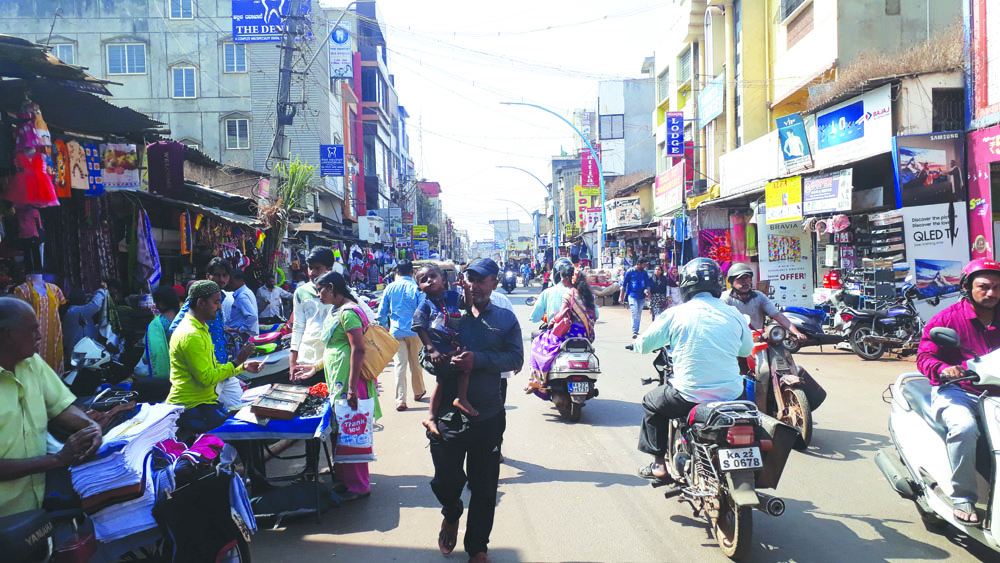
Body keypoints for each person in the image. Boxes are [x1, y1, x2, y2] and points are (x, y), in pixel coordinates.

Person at [428, 258, 523, 563]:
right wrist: (436, 360)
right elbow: (424, 351)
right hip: (446, 417)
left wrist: (478, 360)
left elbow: (515, 359)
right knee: (445, 481)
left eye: (482, 279)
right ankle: (452, 511)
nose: (474, 284)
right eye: (469, 278)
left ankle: (477, 547)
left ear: (495, 283)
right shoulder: (448, 314)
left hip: (487, 416)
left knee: (484, 488)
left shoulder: (506, 319)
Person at [630, 258, 754, 483]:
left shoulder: (676, 313)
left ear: (686, 285)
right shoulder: (734, 313)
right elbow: (746, 350)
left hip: (688, 396)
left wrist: (637, 343)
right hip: (733, 396)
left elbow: (646, 344)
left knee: (651, 402)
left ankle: (659, 464)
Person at [0, 297, 102, 518]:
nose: (39, 337)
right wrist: (57, 460)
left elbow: (61, 407)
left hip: (39, 505)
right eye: (33, 330)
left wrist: (91, 426)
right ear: (9, 334)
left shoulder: (32, 363)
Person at [916, 258, 1000, 526]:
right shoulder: (949, 318)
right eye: (983, 286)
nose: (991, 293)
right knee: (963, 428)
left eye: (997, 287)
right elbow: (925, 356)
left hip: (996, 391)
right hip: (959, 391)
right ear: (967, 287)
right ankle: (964, 496)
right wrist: (944, 369)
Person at [293, 272, 381, 502]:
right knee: (341, 431)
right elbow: (334, 347)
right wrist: (315, 368)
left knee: (353, 432)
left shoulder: (349, 312)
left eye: (320, 290)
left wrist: (352, 387)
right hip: (337, 380)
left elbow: (358, 349)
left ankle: (360, 485)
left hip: (351, 382)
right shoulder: (336, 311)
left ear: (331, 288)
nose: (318, 295)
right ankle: (344, 479)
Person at [166, 281, 263, 435]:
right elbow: (206, 378)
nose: (219, 307)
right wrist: (237, 361)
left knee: (243, 426)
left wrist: (241, 367)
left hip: (205, 401)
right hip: (191, 406)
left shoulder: (201, 327)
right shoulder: (191, 334)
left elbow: (213, 367)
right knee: (239, 432)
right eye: (216, 302)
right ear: (201, 303)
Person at [413, 263, 476, 429]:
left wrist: (466, 290)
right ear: (420, 287)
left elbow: (468, 304)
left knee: (465, 367)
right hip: (437, 349)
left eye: (433, 277)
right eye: (423, 280)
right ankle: (432, 416)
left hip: (453, 346)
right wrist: (431, 350)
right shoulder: (425, 305)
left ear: (444, 279)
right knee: (442, 380)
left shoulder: (453, 296)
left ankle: (460, 399)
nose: (429, 281)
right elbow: (419, 327)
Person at [526, 260, 597, 392]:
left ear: (567, 278)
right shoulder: (588, 294)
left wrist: (552, 320)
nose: (563, 280)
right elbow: (595, 315)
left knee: (537, 343)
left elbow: (561, 315)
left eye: (564, 277)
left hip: (566, 335)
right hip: (586, 336)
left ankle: (537, 381)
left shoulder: (567, 294)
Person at [377, 259, 427, 411]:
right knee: (416, 364)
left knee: (400, 366)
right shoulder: (416, 288)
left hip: (396, 332)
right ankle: (418, 392)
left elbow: (381, 312)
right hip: (415, 331)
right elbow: (423, 310)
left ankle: (400, 400)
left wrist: (384, 327)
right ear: (412, 272)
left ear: (397, 272)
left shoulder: (390, 288)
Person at [720, 263, 806, 340]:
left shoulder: (759, 296)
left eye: (747, 278)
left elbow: (777, 315)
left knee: (779, 353)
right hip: (735, 341)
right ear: (731, 281)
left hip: (758, 339)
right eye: (740, 279)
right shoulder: (725, 298)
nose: (744, 282)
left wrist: (796, 332)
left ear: (750, 280)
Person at [290, 247, 335, 385]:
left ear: (329, 269)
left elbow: (367, 317)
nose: (312, 273)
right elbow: (298, 327)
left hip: (332, 357)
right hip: (307, 357)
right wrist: (292, 361)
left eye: (317, 268)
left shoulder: (341, 290)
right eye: (310, 268)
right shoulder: (301, 292)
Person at [62, 286, 107, 364]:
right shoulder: (75, 311)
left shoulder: (75, 313)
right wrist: (101, 290)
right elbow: (95, 306)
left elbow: (90, 330)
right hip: (78, 356)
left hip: (82, 353)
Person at [143, 285, 181, 379]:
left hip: (165, 376)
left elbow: (148, 355)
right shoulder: (185, 319)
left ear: (161, 304)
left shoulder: (156, 324)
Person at [530, 258, 576, 324]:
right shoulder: (582, 291)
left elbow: (534, 318)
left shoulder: (547, 292)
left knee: (534, 333)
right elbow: (595, 315)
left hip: (556, 332)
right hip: (582, 332)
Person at [619, 257, 651, 339]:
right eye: (644, 264)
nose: (645, 266)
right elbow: (624, 284)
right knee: (635, 312)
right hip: (632, 295)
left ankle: (636, 330)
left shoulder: (644, 273)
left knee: (639, 314)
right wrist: (621, 296)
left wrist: (648, 292)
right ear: (639, 264)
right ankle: (634, 331)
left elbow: (647, 284)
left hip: (641, 296)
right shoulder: (630, 272)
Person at [225, 268, 259, 338]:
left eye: (231, 281)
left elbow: (252, 316)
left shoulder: (242, 296)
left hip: (243, 335)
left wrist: (239, 330)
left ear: (240, 280)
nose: (228, 283)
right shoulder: (246, 292)